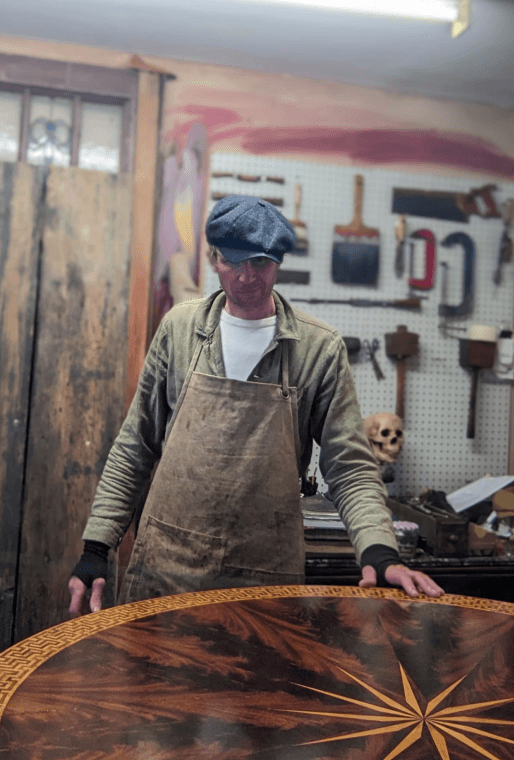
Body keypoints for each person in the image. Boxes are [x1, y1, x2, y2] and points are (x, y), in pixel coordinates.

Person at [69, 195, 443, 614]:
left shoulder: (318, 348)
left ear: (278, 262)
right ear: (214, 259)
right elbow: (135, 446)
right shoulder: (180, 329)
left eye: (260, 262)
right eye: (233, 260)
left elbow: (350, 466)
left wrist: (381, 552)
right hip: (167, 568)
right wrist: (96, 547)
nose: (246, 276)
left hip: (265, 578)